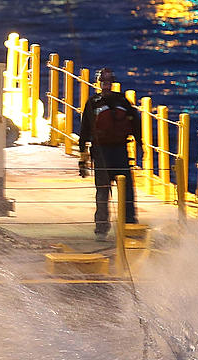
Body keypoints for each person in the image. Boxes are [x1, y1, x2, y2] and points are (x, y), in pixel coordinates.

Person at [78, 68, 143, 240]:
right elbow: (136, 124)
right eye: (105, 82)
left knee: (111, 192)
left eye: (107, 82)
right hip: (110, 152)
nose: (106, 85)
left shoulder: (95, 102)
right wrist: (141, 145)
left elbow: (84, 130)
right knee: (115, 192)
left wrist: (82, 155)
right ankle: (118, 227)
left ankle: (113, 228)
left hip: (111, 152)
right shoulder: (122, 101)